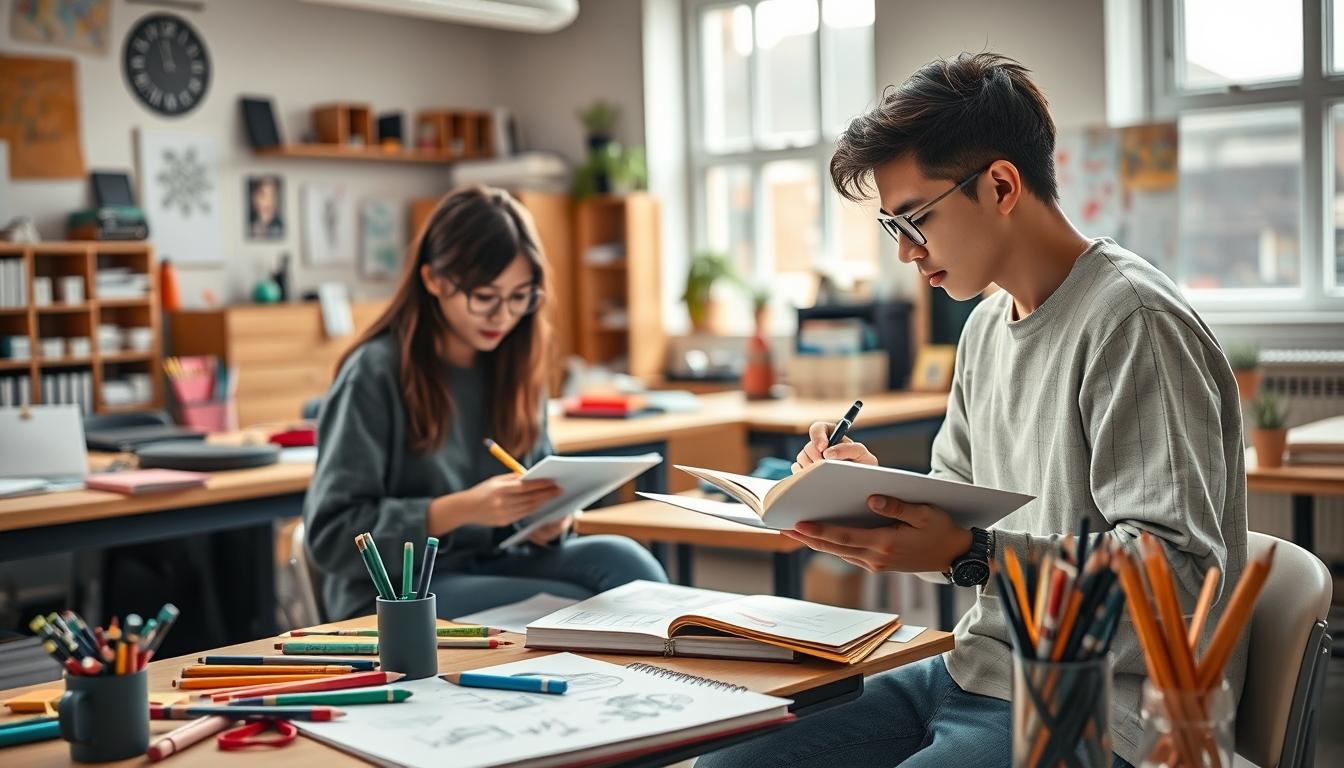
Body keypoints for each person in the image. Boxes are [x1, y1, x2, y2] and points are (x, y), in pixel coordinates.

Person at [697, 53, 1247, 768]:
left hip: (1105, 707)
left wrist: (973, 553)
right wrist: (871, 498)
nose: (907, 253)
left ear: (1000, 185)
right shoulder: (986, 327)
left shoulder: (1132, 320)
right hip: (975, 671)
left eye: (915, 220)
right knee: (729, 761)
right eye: (895, 228)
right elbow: (960, 537)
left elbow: (1178, 577)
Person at [304, 186, 666, 621]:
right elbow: (329, 537)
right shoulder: (374, 372)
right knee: (568, 602)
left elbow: (534, 484)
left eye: (519, 297)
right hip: (398, 591)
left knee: (629, 564)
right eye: (485, 297)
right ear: (433, 280)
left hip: (493, 564)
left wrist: (551, 523)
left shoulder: (515, 362)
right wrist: (458, 510)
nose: (503, 316)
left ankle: (672, 687)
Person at [247, 175, 283, 239]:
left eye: (272, 196)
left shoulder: (280, 225)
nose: (269, 202)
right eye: (263, 196)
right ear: (254, 198)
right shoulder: (249, 224)